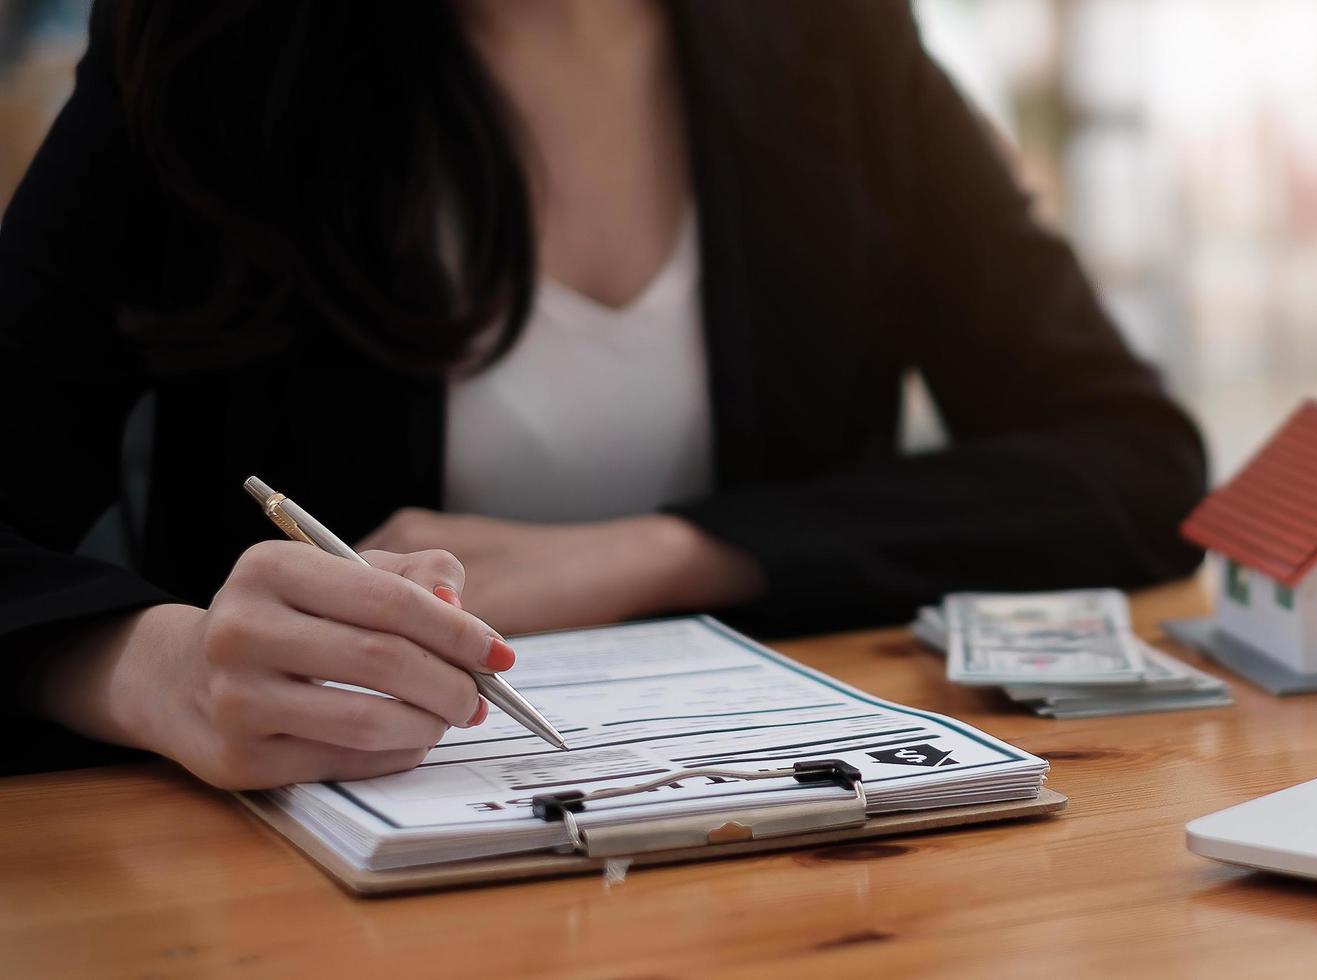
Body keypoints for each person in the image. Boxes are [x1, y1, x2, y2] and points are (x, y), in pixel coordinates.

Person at [0, 1, 1206, 787]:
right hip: (303, 888)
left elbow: (1129, 456)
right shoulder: (207, 49)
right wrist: (160, 670)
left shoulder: (836, 41)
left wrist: (663, 552)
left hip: (786, 863)